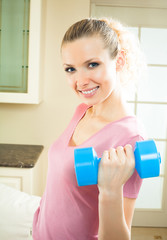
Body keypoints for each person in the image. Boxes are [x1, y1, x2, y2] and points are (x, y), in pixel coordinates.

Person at [32, 18, 147, 240]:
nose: (81, 80)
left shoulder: (131, 138)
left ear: (119, 61)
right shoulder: (83, 110)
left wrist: (111, 191)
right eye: (70, 69)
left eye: (92, 64)